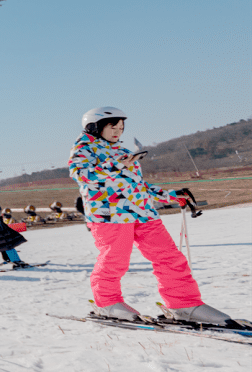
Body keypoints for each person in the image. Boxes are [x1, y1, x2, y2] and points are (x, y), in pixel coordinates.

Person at [70, 106, 231, 324]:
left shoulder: (120, 150)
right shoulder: (84, 148)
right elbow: (82, 174)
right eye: (112, 127)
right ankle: (107, 303)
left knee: (170, 257)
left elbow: (137, 184)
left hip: (143, 212)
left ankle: (184, 304)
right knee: (115, 260)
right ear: (95, 127)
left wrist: (169, 195)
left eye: (121, 127)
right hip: (110, 214)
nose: (118, 131)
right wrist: (117, 165)